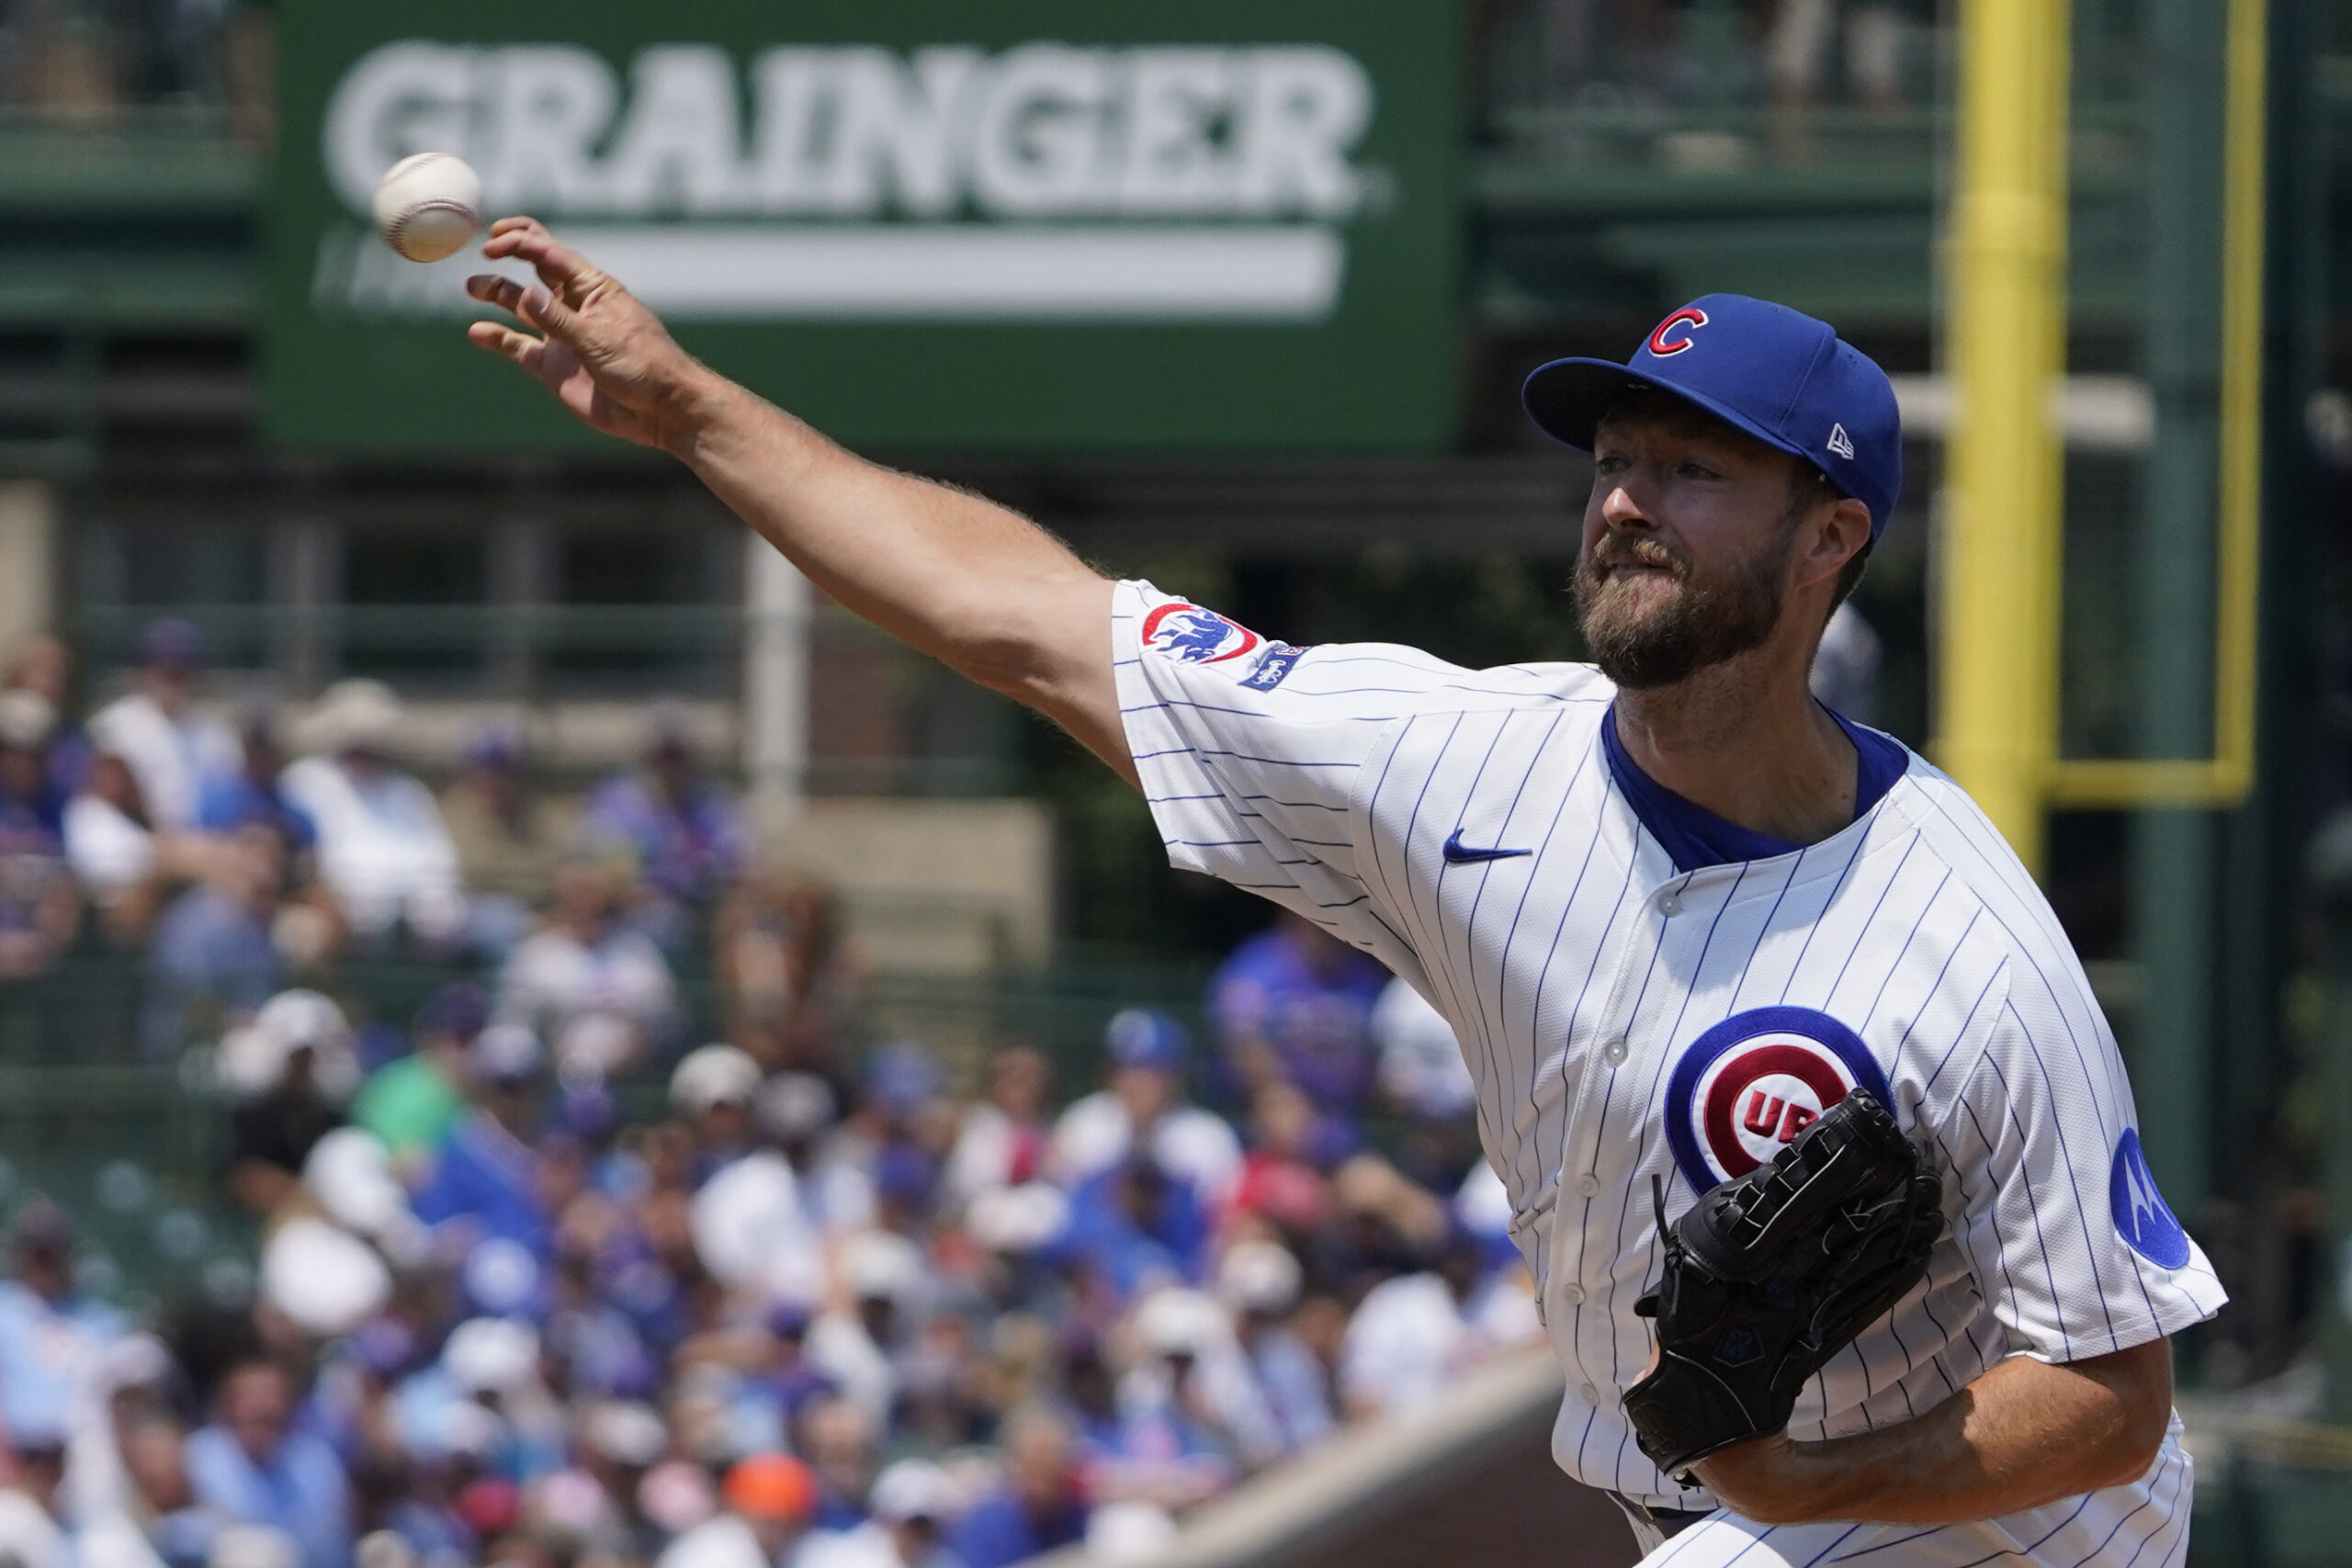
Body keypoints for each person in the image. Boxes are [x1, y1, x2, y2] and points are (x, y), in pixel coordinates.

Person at [465, 231, 2220, 1563]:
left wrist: (1810, 1476)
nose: (1622, 501)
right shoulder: (1455, 766)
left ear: (1829, 535)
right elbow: (1022, 618)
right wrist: (689, 409)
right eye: (1612, 455)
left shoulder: (1965, 940)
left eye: (1693, 468)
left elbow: (2117, 1402)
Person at [278, 682, 466, 948]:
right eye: (355, 743)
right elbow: (294, 858)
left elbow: (438, 864)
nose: (363, 752)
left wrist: (433, 909)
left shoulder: (407, 792)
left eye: (370, 744)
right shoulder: (307, 781)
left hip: (410, 925)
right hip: (332, 914)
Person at [1207, 909, 1388, 1113]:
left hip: (1348, 1112)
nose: (1328, 931)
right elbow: (1239, 1038)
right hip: (1263, 1108)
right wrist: (1283, 1090)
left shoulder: (1362, 973)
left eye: (1336, 923)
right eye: (1319, 923)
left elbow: (1379, 1047)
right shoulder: (1261, 962)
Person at [183, 1361, 353, 1568]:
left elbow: (329, 1532)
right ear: (228, 1409)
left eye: (273, 1411)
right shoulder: (197, 1456)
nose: (264, 1410)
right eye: (252, 1409)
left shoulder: (316, 1460)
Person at [86, 618, 240, 835]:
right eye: (164, 670)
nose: (173, 679)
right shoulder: (115, 725)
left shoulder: (213, 733)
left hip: (204, 840)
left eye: (182, 670)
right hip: (136, 838)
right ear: (144, 670)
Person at [0, 1199, 128, 1441]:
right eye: (38, 1252)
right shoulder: (4, 1310)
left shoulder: (103, 1322)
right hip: (12, 1456)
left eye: (53, 1251)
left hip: (85, 1455)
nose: (46, 1261)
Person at [945, 1407, 1086, 1568]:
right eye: (1031, 1463)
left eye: (1050, 1461)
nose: (1041, 1472)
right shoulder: (986, 1525)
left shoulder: (1078, 1514)